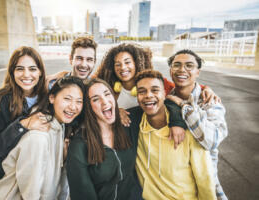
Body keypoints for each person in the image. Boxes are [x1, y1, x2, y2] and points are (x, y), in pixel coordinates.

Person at [96, 43, 217, 149]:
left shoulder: (153, 82)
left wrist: (205, 88)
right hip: (118, 143)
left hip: (148, 143)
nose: (123, 67)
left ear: (136, 63)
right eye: (117, 64)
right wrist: (115, 111)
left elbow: (180, 88)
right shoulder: (107, 86)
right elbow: (88, 91)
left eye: (127, 62)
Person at [0, 76, 85, 200]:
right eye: (67, 99)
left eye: (79, 101)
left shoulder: (60, 126)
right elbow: (30, 193)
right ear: (52, 98)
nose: (73, 107)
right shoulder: (38, 137)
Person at [128, 69, 217, 200]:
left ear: (165, 94)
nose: (148, 95)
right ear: (137, 97)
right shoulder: (135, 126)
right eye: (142, 91)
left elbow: (205, 178)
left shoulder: (188, 128)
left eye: (155, 90)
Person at [0, 46, 48, 199]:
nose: (26, 75)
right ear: (12, 72)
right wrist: (22, 125)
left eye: (32, 69)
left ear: (40, 71)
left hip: (24, 171)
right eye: (20, 69)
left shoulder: (47, 98)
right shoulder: (0, 100)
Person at [166, 49, 228, 200]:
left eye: (189, 65)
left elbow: (212, 140)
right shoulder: (164, 97)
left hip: (203, 181)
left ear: (197, 72)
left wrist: (183, 106)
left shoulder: (210, 102)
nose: (182, 70)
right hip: (172, 183)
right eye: (177, 65)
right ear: (170, 70)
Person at [66, 78, 142, 200]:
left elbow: (158, 105)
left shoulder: (127, 124)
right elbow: (82, 195)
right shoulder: (79, 146)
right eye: (96, 99)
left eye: (107, 94)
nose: (105, 101)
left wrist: (179, 107)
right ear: (88, 106)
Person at [0, 36, 98, 114]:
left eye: (89, 59)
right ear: (70, 59)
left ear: (94, 62)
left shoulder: (96, 89)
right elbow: (26, 88)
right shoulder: (52, 84)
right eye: (79, 58)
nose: (84, 64)